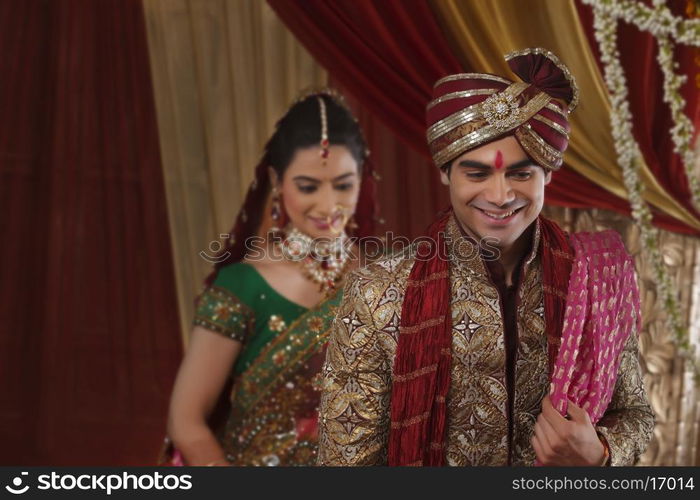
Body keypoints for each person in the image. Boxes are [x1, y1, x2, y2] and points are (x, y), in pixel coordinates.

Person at [317, 48, 655, 466]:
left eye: (521, 173)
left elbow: (635, 415)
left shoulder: (593, 278)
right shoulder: (378, 294)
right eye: (476, 173)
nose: (500, 196)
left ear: (548, 174)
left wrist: (600, 453)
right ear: (445, 172)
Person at [166, 90, 379, 466]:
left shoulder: (392, 277)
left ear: (362, 178)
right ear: (277, 182)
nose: (329, 206)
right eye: (308, 186)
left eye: (343, 185)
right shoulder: (243, 286)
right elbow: (186, 421)